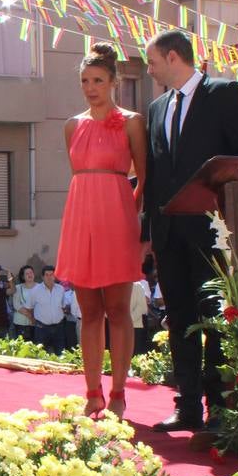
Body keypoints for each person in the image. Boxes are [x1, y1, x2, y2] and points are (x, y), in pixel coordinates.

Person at [142, 30, 238, 432]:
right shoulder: (157, 108)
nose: (149, 69)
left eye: (152, 61)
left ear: (174, 57)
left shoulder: (224, 93)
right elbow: (155, 174)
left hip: (213, 233)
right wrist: (149, 232)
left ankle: (220, 406)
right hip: (170, 233)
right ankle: (187, 405)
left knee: (214, 319)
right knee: (179, 320)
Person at [55, 43, 149, 416]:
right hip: (80, 217)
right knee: (88, 311)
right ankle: (92, 391)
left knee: (118, 308)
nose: (90, 87)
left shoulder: (131, 121)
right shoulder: (71, 125)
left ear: (113, 82)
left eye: (97, 80)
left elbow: (145, 177)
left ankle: (118, 393)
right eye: (84, 81)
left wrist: (130, 214)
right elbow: (79, 176)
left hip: (117, 217)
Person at [29, 266, 66, 353]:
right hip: (42, 328)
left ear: (55, 276)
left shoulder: (61, 289)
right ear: (42, 277)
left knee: (61, 353)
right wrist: (34, 321)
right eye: (46, 275)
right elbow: (30, 308)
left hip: (59, 327)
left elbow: (62, 305)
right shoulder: (35, 290)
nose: (49, 277)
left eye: (51, 275)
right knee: (41, 353)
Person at [12, 265, 37, 341]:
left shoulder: (40, 287)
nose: (30, 275)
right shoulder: (18, 288)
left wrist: (34, 320)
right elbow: (16, 305)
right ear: (23, 277)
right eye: (27, 273)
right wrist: (31, 317)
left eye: (31, 272)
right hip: (21, 323)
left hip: (38, 323)